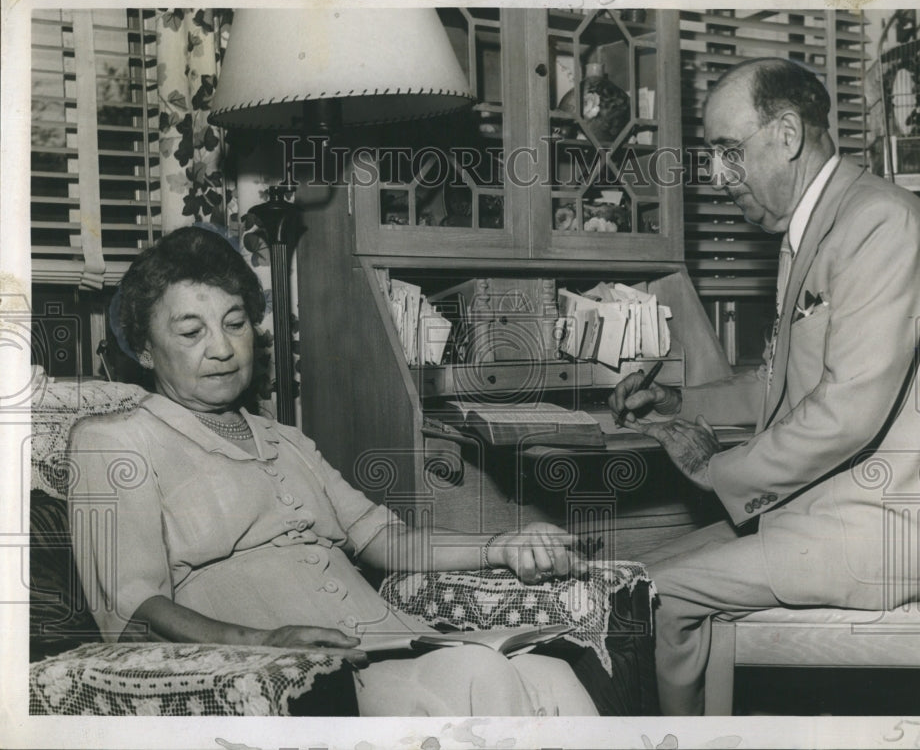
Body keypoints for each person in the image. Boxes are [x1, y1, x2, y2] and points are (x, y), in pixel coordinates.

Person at [69, 226, 598, 717]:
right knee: (474, 673)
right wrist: (263, 642)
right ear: (143, 348)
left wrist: (503, 544)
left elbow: (383, 538)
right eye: (191, 331)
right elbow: (131, 610)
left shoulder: (285, 439)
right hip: (296, 677)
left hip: (395, 643)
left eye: (235, 324)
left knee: (550, 675)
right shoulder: (113, 442)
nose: (223, 348)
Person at [609, 58, 920, 715]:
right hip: (826, 518)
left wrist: (716, 469)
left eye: (729, 152)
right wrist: (679, 404)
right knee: (626, 573)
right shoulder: (817, 229)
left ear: (785, 134)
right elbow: (785, 389)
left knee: (647, 595)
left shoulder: (881, 223)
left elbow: (848, 411)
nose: (719, 177)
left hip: (886, 530)